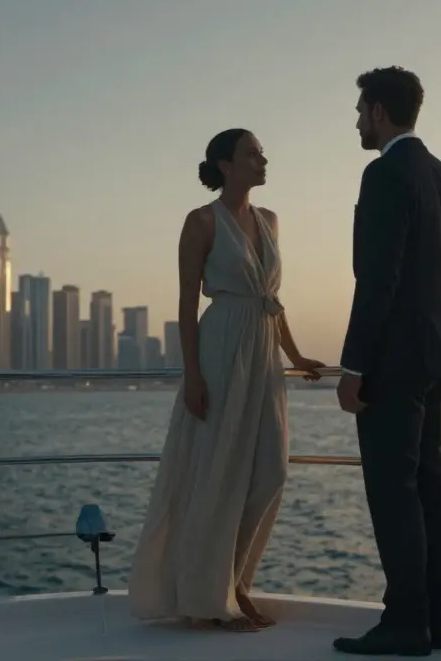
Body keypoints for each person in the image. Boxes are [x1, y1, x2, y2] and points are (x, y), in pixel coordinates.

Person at [128, 128, 325, 632]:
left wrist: (296, 354)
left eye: (262, 152)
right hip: (220, 350)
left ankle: (234, 579)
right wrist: (192, 376)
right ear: (224, 165)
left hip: (263, 354)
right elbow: (186, 304)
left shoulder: (270, 221)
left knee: (270, 472)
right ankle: (218, 594)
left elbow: (271, 298)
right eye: (252, 154)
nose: (263, 160)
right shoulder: (200, 222)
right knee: (217, 474)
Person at [331, 67, 441, 656]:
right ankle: (439, 618)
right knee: (431, 484)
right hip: (439, 353)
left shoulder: (385, 173)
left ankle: (406, 622)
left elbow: (377, 277)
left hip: (393, 361)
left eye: (362, 111)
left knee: (393, 490)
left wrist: (354, 365)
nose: (358, 121)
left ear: (381, 112)